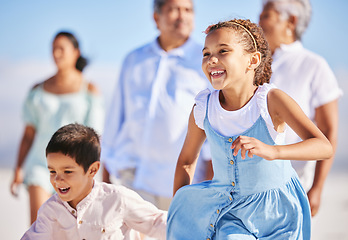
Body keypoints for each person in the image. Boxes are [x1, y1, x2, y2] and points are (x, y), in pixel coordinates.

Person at [167, 19, 333, 240]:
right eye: (206, 54)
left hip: (279, 215)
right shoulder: (203, 107)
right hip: (229, 213)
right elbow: (187, 160)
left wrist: (273, 152)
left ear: (252, 60)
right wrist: (180, 211)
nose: (211, 60)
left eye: (223, 51)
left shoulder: (271, 101)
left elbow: (323, 146)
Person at [101, 0, 211, 210]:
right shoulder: (134, 59)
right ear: (156, 17)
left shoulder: (206, 60)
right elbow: (116, 116)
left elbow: (215, 122)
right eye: (174, 9)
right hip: (134, 178)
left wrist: (210, 185)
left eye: (187, 10)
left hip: (186, 183)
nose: (182, 16)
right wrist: (106, 173)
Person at [259, 0, 342, 217]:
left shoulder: (314, 65)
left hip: (294, 186)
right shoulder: (255, 64)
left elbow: (329, 131)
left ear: (291, 21)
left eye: (267, 15)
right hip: (254, 185)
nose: (259, 20)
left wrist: (317, 188)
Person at [10, 31, 104, 224]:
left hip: (74, 168)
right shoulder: (37, 90)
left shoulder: (89, 90)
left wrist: (90, 171)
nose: (56, 53)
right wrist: (18, 167)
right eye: (53, 49)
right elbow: (28, 134)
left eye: (61, 49)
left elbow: (95, 137)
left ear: (76, 52)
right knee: (39, 226)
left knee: (69, 229)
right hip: (40, 164)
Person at [20, 123, 167, 240]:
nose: (58, 179)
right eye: (52, 171)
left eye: (68, 171)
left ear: (92, 170)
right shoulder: (50, 211)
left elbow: (157, 223)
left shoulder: (118, 199)